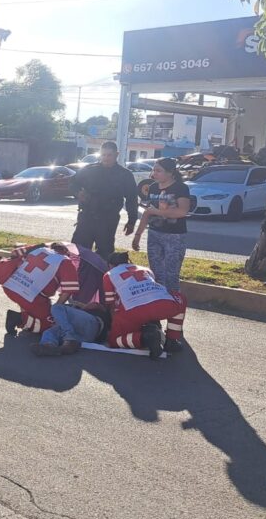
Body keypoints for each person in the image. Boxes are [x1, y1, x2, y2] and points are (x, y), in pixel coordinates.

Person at [102, 252, 187, 359]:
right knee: (180, 299)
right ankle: (172, 340)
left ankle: (145, 338)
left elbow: (111, 304)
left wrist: (117, 324)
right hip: (162, 303)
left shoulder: (109, 275)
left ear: (110, 265)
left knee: (114, 340)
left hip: (132, 310)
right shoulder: (146, 269)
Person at [131, 157, 191, 293]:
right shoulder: (153, 187)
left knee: (171, 275)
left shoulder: (181, 188)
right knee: (156, 274)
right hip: (154, 234)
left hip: (175, 236)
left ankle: (174, 305)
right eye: (154, 170)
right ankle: (160, 302)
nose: (154, 174)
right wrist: (138, 235)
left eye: (159, 171)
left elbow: (182, 211)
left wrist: (157, 211)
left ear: (170, 172)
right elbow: (147, 212)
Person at [0, 242, 80, 335]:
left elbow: (14, 253)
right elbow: (68, 290)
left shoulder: (40, 248)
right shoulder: (65, 262)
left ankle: (26, 314)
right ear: (65, 252)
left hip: (10, 286)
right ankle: (18, 319)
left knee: (36, 307)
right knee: (49, 324)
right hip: (30, 296)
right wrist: (55, 311)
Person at [71, 141, 139, 260]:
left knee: (105, 254)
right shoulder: (89, 169)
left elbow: (132, 199)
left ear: (116, 154)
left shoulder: (124, 175)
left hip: (108, 220)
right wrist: (78, 193)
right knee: (77, 252)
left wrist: (131, 221)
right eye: (103, 155)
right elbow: (72, 183)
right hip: (87, 217)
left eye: (109, 155)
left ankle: (101, 278)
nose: (106, 158)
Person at [33, 299, 112, 357]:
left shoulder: (99, 311)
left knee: (56, 307)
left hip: (93, 323)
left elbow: (95, 305)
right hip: (87, 338)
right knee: (49, 332)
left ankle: (69, 338)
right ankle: (49, 346)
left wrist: (81, 305)